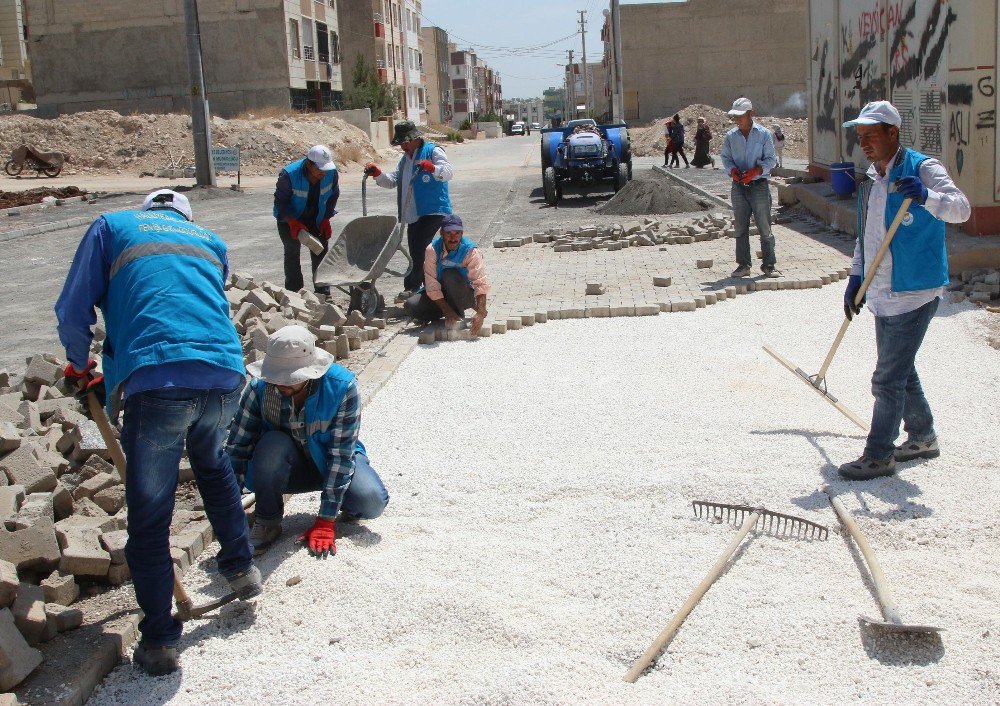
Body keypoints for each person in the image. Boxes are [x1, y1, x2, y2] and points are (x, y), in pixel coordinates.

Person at [54, 189, 260, 676]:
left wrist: (78, 361)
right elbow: (193, 301)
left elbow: (73, 307)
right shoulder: (209, 239)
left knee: (149, 516)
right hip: (225, 376)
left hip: (160, 378)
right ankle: (239, 566)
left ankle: (160, 640)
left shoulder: (111, 226)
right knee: (212, 464)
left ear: (148, 212)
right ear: (183, 218)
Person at [836, 101, 970, 481]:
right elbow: (867, 234)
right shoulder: (873, 178)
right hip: (882, 291)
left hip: (915, 291)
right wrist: (856, 276)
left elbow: (961, 209)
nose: (864, 144)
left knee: (886, 379)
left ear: (892, 133)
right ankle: (923, 436)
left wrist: (927, 197)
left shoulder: (923, 168)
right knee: (901, 369)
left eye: (870, 136)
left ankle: (879, 455)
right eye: (860, 137)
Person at [227, 325, 389, 557]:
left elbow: (341, 455)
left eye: (289, 379)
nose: (280, 384)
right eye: (276, 377)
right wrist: (229, 512)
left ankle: (344, 504)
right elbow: (237, 449)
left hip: (329, 462)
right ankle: (268, 520)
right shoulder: (259, 390)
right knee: (273, 443)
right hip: (286, 467)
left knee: (371, 503)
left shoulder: (342, 388)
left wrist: (326, 519)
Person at [365, 121, 454, 300]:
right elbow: (392, 181)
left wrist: (432, 168)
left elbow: (448, 172)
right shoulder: (405, 160)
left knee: (420, 246)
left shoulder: (433, 151)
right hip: (411, 213)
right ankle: (423, 285)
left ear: (415, 138)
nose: (403, 147)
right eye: (401, 144)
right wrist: (378, 174)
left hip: (433, 209)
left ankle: (413, 287)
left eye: (405, 142)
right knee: (415, 250)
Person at [721, 97, 779, 278]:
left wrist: (757, 170)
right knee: (740, 227)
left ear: (750, 114)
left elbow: (772, 159)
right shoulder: (731, 137)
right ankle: (743, 265)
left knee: (764, 226)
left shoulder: (763, 134)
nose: (738, 120)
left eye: (741, 116)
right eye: (735, 117)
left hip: (759, 185)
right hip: (738, 186)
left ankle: (769, 265)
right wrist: (732, 170)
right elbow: (725, 158)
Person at [403, 214, 490, 334]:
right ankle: (448, 313)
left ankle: (460, 313)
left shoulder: (471, 251)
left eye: (457, 233)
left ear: (462, 233)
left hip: (463, 292)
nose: (453, 237)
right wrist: (446, 310)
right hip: (442, 295)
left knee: (449, 274)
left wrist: (480, 312)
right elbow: (431, 284)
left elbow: (480, 283)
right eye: (449, 233)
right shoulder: (432, 249)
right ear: (441, 233)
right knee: (410, 305)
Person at [273, 144, 340, 295]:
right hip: (289, 219)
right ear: (309, 164)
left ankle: (323, 293)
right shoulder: (289, 175)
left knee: (320, 251)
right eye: (319, 168)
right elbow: (280, 203)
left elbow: (333, 194)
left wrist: (326, 218)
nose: (323, 172)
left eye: (326, 168)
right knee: (292, 251)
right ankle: (294, 293)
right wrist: (292, 223)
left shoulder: (331, 173)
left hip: (316, 218)